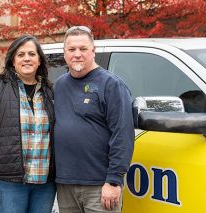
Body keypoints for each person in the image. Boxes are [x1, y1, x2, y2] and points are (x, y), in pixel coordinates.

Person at [54, 26, 135, 213]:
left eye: (83, 49)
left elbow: (122, 135)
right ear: (64, 53)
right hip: (65, 184)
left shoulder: (111, 84)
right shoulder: (59, 85)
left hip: (100, 186)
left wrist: (114, 181)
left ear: (93, 51)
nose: (77, 54)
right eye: (71, 49)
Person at [0, 35, 56, 213]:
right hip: (8, 183)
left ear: (39, 60)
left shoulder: (50, 91)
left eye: (32, 54)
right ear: (12, 60)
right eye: (21, 54)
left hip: (44, 184)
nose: (27, 58)